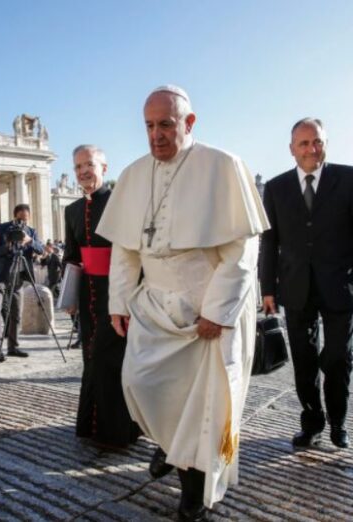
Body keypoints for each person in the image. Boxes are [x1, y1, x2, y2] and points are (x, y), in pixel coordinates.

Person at [96, 85, 268, 519]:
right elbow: (125, 250)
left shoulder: (222, 166)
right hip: (153, 305)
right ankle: (170, 447)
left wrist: (218, 309)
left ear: (189, 123)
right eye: (149, 126)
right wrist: (119, 302)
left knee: (201, 407)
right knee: (140, 383)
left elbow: (241, 251)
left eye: (166, 125)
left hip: (204, 307)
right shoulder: (135, 174)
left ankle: (192, 491)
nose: (156, 135)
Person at [260, 118, 352, 449]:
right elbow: (269, 242)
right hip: (296, 287)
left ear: (326, 143)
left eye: (318, 142)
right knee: (303, 359)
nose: (312, 149)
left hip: (341, 286)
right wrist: (267, 288)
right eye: (304, 144)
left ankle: (339, 422)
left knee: (338, 357)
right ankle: (312, 421)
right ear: (291, 149)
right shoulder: (276, 187)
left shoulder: (348, 178)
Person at [63, 144, 140, 448]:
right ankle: (92, 427)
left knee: (112, 359)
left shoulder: (121, 201)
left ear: (104, 168)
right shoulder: (71, 210)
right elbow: (71, 257)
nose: (83, 171)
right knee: (90, 358)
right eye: (78, 166)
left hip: (118, 291)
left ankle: (118, 431)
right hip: (87, 296)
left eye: (89, 165)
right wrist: (67, 297)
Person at [0, 203, 44, 361]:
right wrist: (7, 246)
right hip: (0, 275)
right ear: (15, 216)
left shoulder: (31, 232)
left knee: (17, 313)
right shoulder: (2, 228)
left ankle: (13, 346)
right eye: (20, 219)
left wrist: (29, 241)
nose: (22, 223)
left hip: (19, 276)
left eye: (25, 220)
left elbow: (41, 249)